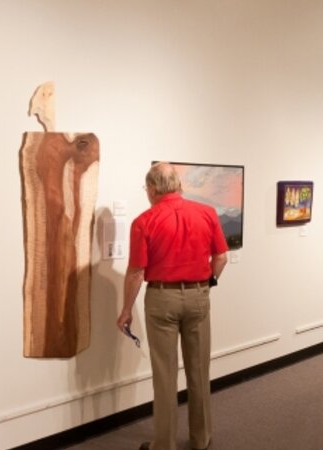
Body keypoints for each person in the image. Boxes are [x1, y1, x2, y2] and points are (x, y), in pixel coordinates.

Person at [118, 162, 228, 450]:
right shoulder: (207, 213)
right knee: (199, 370)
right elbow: (221, 258)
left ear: (153, 189)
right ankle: (201, 439)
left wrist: (126, 310)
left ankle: (164, 445)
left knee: (165, 376)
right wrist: (208, 284)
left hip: (162, 299)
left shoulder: (144, 221)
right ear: (178, 185)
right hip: (198, 296)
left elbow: (136, 273)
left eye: (146, 189)